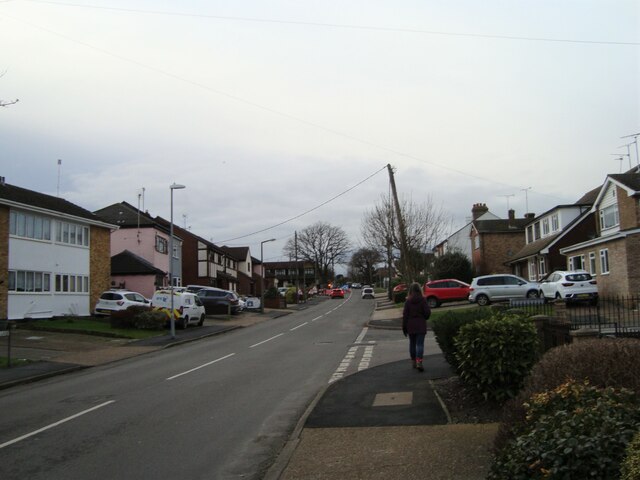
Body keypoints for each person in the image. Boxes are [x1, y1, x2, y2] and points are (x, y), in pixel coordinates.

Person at [402, 282, 431, 372]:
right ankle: (419, 361)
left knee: (412, 344)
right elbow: (427, 313)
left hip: (411, 324)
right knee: (419, 344)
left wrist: (404, 327)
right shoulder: (423, 300)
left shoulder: (408, 301)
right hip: (420, 324)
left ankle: (413, 361)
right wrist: (424, 317)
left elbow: (405, 315)